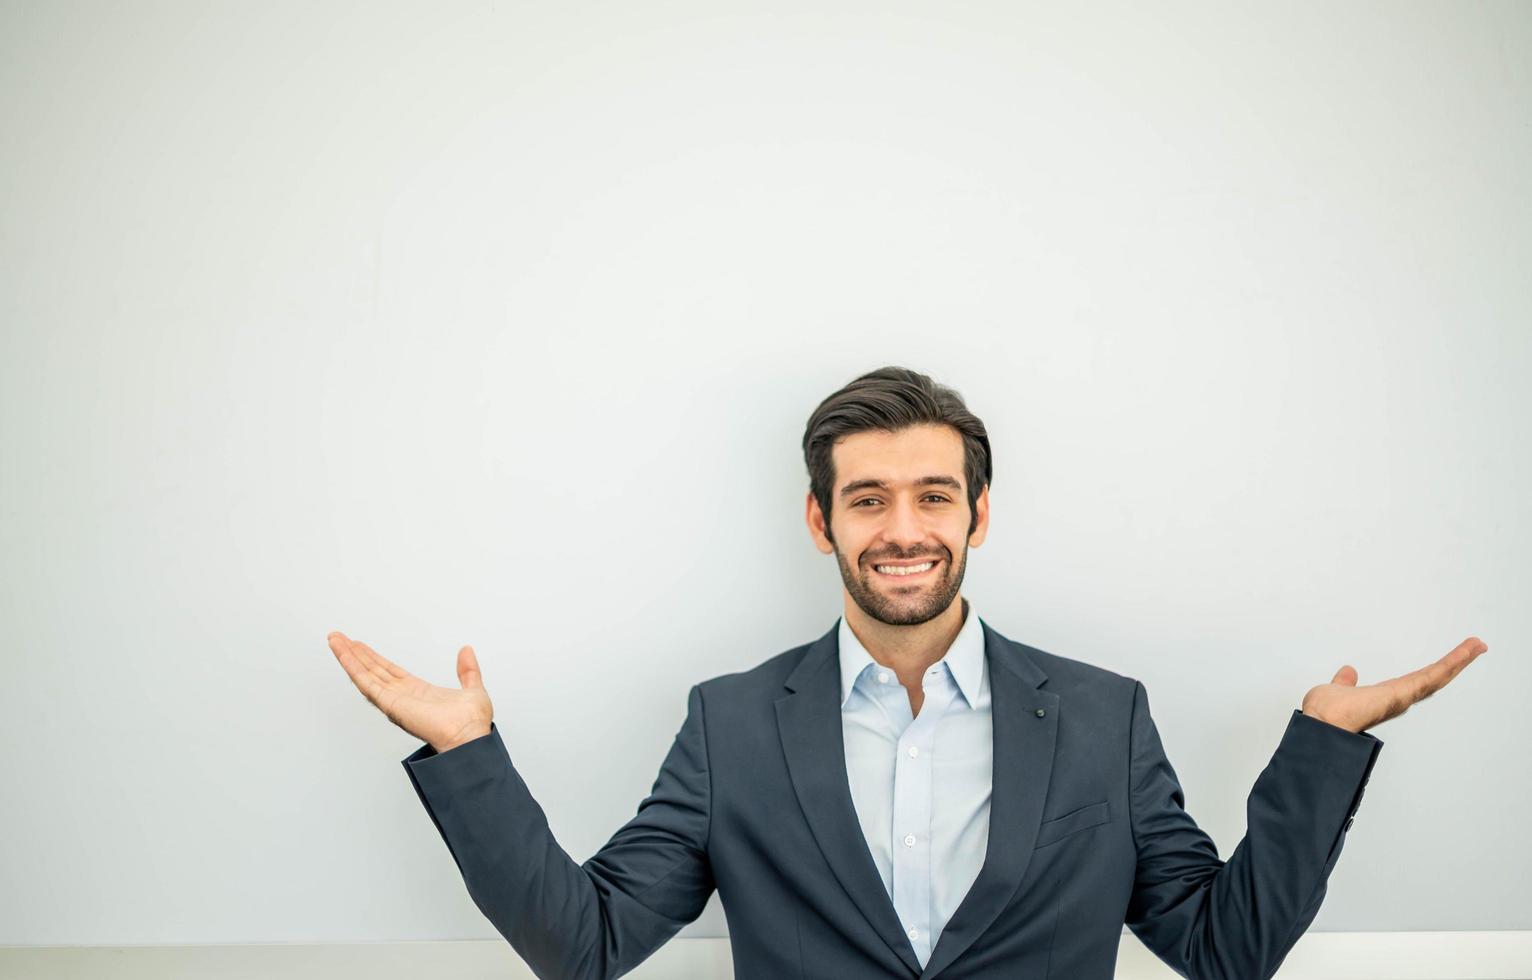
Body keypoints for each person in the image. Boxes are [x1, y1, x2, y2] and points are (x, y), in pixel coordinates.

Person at [327, 365, 1486, 980]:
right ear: (818, 520)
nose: (901, 527)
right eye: (866, 498)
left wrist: (1322, 747)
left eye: (932, 495)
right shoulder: (732, 722)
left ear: (977, 515)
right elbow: (587, 944)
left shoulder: (1101, 713)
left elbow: (1222, 950)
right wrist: (464, 753)